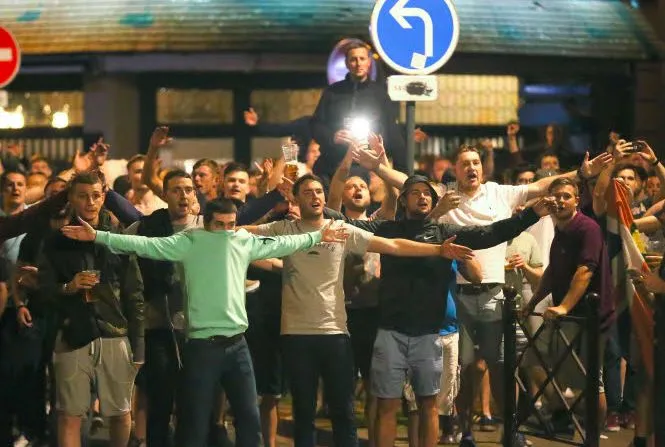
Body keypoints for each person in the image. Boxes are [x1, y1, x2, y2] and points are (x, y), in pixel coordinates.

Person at [60, 197, 350, 447]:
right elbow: (143, 244)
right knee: (195, 423)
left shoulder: (242, 240)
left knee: (250, 421)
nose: (226, 231)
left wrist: (318, 236)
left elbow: (285, 243)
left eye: (230, 224)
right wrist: (98, 236)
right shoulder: (190, 242)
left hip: (237, 345)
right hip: (201, 347)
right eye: (220, 225)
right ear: (206, 223)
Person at [243, 173, 475, 447]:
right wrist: (272, 206)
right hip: (296, 334)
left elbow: (392, 245)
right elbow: (238, 231)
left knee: (344, 412)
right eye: (307, 192)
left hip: (335, 333)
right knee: (304, 413)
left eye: (319, 191)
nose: (315, 196)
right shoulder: (285, 229)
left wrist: (437, 250)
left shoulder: (340, 229)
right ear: (295, 198)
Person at [36, 172, 145, 447]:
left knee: (120, 413)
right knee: (70, 415)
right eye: (83, 195)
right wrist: (69, 287)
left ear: (104, 196)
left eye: (96, 195)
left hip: (115, 332)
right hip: (73, 332)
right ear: (71, 198)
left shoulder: (119, 238)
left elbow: (135, 294)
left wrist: (139, 345)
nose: (90, 202)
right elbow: (44, 290)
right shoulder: (56, 240)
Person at [522, 178, 615, 436]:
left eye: (566, 196)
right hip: (570, 316)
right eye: (556, 197)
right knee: (548, 366)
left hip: (591, 316)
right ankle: (565, 421)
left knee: (591, 380)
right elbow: (553, 272)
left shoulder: (588, 228)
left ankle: (593, 435)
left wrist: (563, 307)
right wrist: (532, 303)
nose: (560, 201)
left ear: (576, 199)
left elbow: (585, 271)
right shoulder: (561, 230)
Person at [311, 41, 405, 182]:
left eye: (362, 59)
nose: (358, 63)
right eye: (353, 59)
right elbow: (315, 125)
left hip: (369, 166)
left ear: (369, 62)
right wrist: (332, 136)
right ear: (347, 64)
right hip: (334, 164)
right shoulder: (333, 92)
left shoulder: (380, 94)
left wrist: (402, 175)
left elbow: (392, 132)